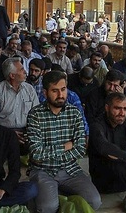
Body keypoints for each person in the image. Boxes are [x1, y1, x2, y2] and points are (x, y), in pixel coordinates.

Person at [26, 70, 102, 213]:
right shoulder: (35, 115)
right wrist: (65, 146)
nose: (61, 95)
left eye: (63, 89)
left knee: (95, 201)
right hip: (43, 170)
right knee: (47, 208)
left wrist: (51, 153)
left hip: (70, 168)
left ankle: (57, 193)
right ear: (45, 92)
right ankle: (48, 195)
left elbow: (80, 149)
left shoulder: (74, 113)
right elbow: (36, 154)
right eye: (55, 91)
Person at [0, 58, 40, 155]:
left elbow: (36, 115)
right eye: (21, 70)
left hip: (26, 132)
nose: (25, 72)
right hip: (3, 133)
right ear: (12, 75)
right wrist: (8, 134)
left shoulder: (29, 89)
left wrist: (31, 133)